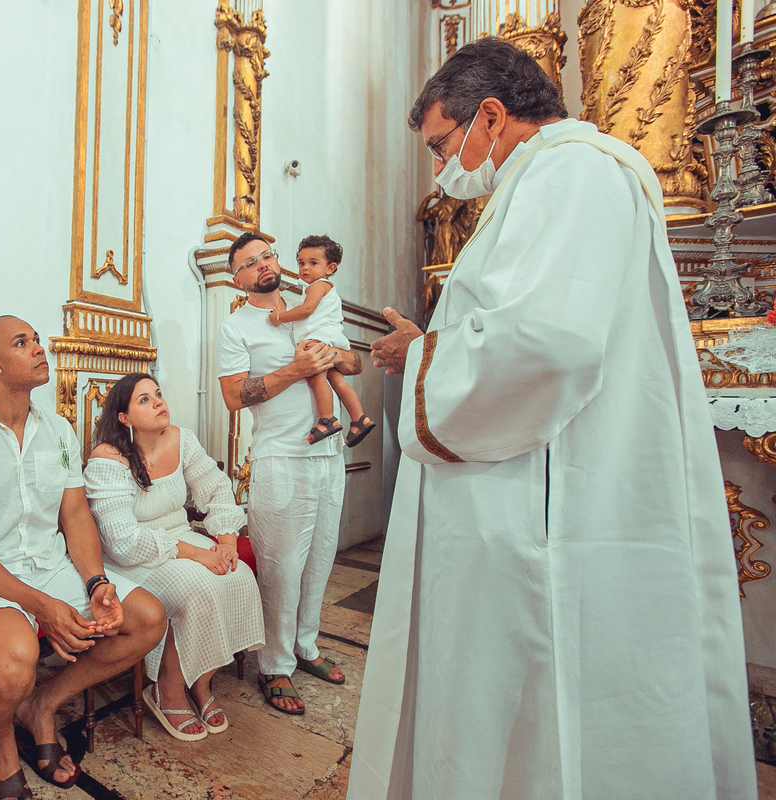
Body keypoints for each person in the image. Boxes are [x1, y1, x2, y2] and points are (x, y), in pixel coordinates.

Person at [351, 38, 755, 800]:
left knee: (538, 705)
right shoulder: (557, 179)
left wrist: (429, 356)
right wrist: (434, 347)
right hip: (530, 485)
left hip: (539, 508)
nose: (442, 169)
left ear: (492, 115)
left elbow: (547, 342)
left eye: (443, 144)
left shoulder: (570, 174)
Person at [0, 316, 167, 800]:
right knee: (15, 659)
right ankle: (3, 740)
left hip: (50, 565)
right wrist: (42, 607)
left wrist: (96, 583)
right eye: (21, 342)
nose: (38, 348)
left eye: (36, 339)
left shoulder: (58, 430)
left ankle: (42, 705)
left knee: (146, 619)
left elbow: (74, 516)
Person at [216, 233, 364, 715]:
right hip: (281, 459)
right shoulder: (236, 326)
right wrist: (297, 369)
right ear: (236, 278)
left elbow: (354, 361)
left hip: (328, 455)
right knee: (281, 568)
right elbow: (235, 396)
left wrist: (333, 358)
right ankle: (275, 665)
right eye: (249, 263)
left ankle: (306, 646)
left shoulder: (313, 300)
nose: (262, 265)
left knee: (321, 559)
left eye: (266, 256)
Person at [84, 373, 264, 741]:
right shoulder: (107, 457)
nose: (159, 403)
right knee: (195, 586)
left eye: (159, 394)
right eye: (144, 400)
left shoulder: (182, 440)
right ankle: (167, 688)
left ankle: (202, 680)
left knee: (237, 574)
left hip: (181, 539)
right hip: (133, 557)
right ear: (124, 418)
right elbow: (122, 540)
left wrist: (226, 542)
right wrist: (196, 553)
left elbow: (216, 489)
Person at [266, 234, 375, 446]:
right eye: (301, 263)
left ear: (330, 268)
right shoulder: (324, 288)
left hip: (319, 339)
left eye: (313, 263)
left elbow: (306, 310)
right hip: (332, 339)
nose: (305, 268)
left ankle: (327, 420)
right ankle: (359, 418)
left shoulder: (318, 286)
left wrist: (278, 317)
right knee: (336, 380)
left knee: (316, 377)